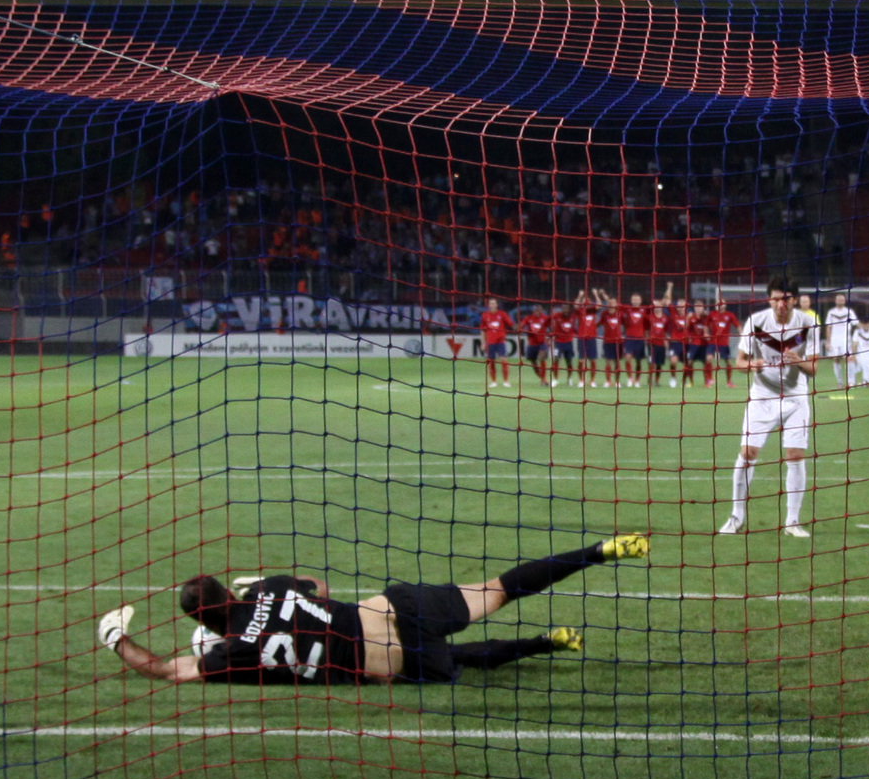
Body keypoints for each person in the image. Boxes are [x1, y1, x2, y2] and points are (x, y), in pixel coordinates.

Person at [96, 534, 652, 685]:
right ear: (229, 592)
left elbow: (165, 669)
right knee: (500, 588)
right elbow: (317, 583)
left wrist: (116, 637)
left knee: (455, 659)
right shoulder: (269, 591)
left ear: (202, 622)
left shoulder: (234, 654)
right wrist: (261, 582)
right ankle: (598, 551)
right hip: (396, 606)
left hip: (392, 662)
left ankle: (542, 643)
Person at [719, 277, 821, 538]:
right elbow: (739, 363)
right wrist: (752, 365)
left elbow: (813, 369)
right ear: (769, 299)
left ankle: (792, 522)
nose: (780, 304)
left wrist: (798, 361)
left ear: (794, 300)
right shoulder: (756, 322)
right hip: (762, 397)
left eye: (786, 299)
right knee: (748, 452)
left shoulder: (808, 324)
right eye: (776, 299)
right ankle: (736, 517)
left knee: (795, 455)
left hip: (795, 399)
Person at [822, 292, 858, 389]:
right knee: (836, 359)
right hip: (834, 340)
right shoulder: (831, 312)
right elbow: (828, 327)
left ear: (845, 301)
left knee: (849, 359)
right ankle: (840, 382)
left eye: (842, 299)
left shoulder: (849, 312)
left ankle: (851, 382)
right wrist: (828, 342)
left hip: (846, 339)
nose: (840, 301)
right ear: (835, 301)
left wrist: (854, 339)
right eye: (838, 299)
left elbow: (856, 325)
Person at [479, 298, 513, 388]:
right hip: (490, 342)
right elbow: (482, 330)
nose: (492, 305)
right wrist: (483, 342)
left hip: (500, 341)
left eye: (494, 303)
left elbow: (510, 324)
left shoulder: (502, 314)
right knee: (491, 361)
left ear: (497, 305)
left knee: (503, 360)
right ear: (488, 305)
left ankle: (506, 381)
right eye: (490, 303)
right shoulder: (485, 315)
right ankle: (494, 381)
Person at [707, 299, 739, 388]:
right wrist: (706, 333)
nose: (720, 304)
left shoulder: (729, 315)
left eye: (722, 303)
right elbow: (706, 325)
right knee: (709, 358)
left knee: (728, 362)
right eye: (718, 303)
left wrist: (742, 334)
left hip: (724, 343)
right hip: (713, 342)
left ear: (725, 305)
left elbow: (738, 325)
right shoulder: (712, 314)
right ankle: (709, 379)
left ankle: (729, 382)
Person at [574, 291, 603, 388]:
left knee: (593, 360)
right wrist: (579, 295)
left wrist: (596, 294)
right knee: (581, 360)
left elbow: (599, 305)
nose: (586, 302)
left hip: (592, 338)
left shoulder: (593, 310)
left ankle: (592, 381)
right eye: (584, 301)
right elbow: (575, 305)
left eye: (588, 301)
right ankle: (581, 380)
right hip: (582, 338)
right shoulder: (580, 311)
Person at [620, 293, 650, 387]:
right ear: (631, 301)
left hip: (640, 338)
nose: (636, 301)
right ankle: (630, 378)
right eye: (634, 299)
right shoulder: (627, 309)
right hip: (629, 338)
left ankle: (637, 380)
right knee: (627, 358)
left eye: (637, 299)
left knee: (638, 360)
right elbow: (616, 305)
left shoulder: (645, 309)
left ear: (640, 301)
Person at [597, 291, 625, 387]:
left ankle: (617, 381)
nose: (611, 304)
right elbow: (599, 323)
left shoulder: (620, 313)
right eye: (610, 302)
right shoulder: (604, 314)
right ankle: (608, 381)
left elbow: (626, 324)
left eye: (613, 302)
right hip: (607, 341)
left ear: (616, 303)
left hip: (618, 341)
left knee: (617, 362)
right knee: (608, 361)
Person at [549, 303, 579, 386]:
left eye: (566, 308)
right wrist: (551, 333)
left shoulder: (573, 317)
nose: (564, 309)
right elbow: (550, 323)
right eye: (563, 308)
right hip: (558, 342)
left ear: (569, 309)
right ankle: (555, 379)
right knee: (556, 359)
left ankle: (569, 379)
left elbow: (575, 327)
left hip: (568, 343)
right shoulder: (557, 316)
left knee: (569, 361)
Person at [520, 304, 550, 386]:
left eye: (539, 310)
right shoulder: (528, 318)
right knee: (533, 363)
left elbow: (552, 325)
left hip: (542, 342)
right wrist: (522, 329)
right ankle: (543, 379)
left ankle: (543, 380)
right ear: (533, 311)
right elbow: (522, 326)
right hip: (532, 343)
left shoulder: (545, 318)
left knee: (542, 358)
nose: (537, 312)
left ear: (542, 311)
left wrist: (550, 337)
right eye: (536, 310)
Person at [647, 303, 672, 386]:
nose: (657, 307)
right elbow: (646, 329)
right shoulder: (650, 317)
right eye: (655, 306)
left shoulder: (666, 318)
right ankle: (650, 379)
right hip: (651, 344)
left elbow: (666, 332)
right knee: (651, 362)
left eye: (659, 306)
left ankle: (657, 380)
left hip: (661, 344)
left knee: (659, 364)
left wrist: (667, 342)